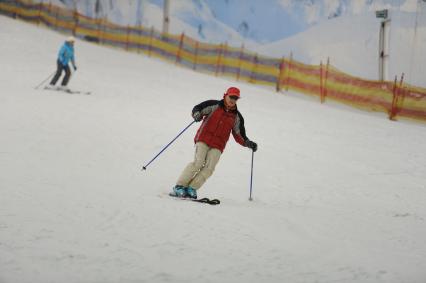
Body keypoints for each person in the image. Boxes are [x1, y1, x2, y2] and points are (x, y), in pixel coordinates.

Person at [172, 86, 258, 199]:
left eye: (235, 98)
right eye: (231, 97)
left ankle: (191, 188)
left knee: (209, 168)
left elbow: (239, 134)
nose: (233, 100)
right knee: (198, 163)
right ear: (225, 95)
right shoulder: (214, 105)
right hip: (203, 139)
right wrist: (197, 114)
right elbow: (198, 108)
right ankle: (179, 186)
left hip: (218, 145)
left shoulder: (237, 116)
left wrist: (248, 143)